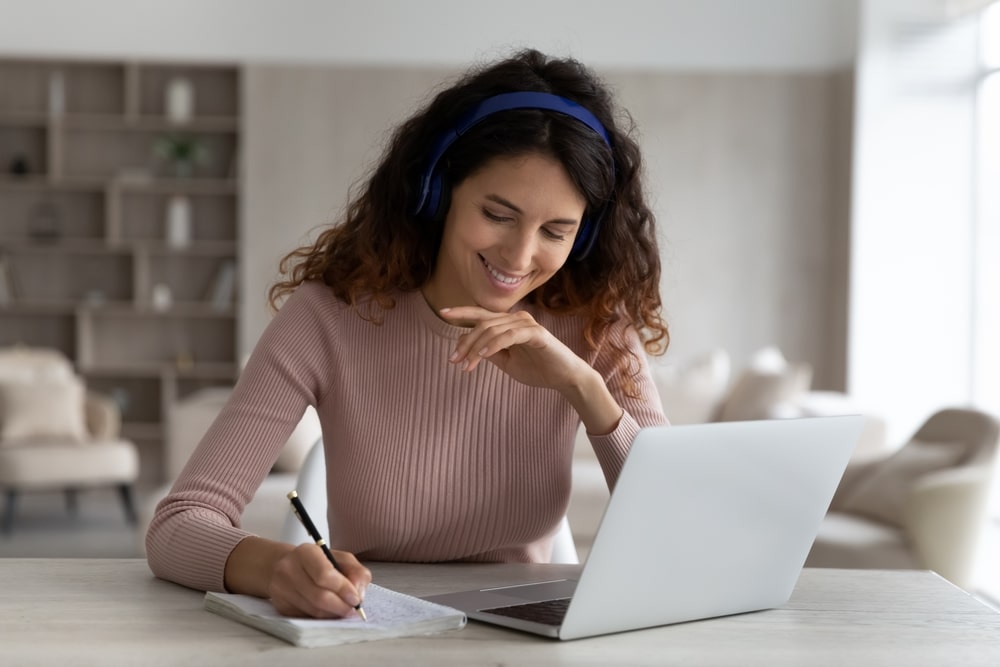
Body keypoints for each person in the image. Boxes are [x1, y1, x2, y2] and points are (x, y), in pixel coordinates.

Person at [146, 48, 669, 620]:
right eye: (497, 214)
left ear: (584, 236)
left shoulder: (596, 330)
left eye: (555, 230)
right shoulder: (327, 318)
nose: (520, 256)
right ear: (437, 193)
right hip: (371, 632)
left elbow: (685, 536)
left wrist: (583, 388)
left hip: (525, 641)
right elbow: (178, 525)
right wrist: (275, 568)